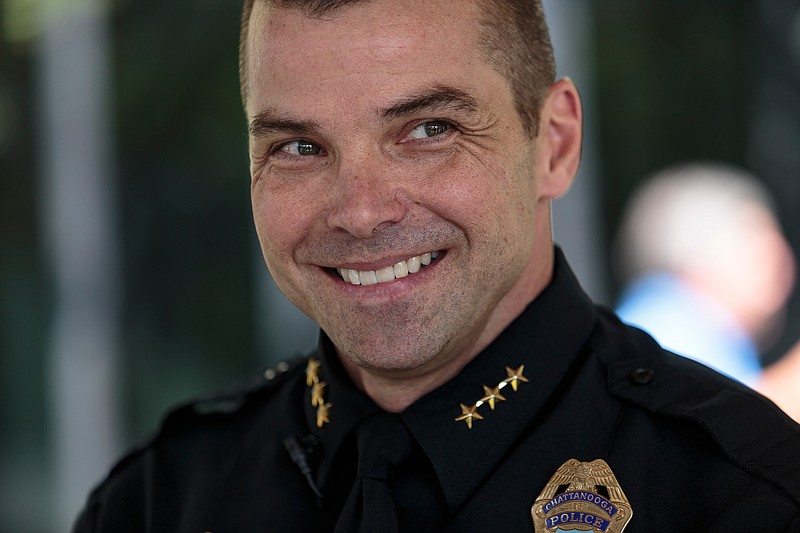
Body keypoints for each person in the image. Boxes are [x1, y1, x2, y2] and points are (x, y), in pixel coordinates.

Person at [74, 1, 800, 531]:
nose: (360, 211)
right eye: (299, 147)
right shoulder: (159, 501)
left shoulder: (740, 497)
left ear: (554, 144)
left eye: (428, 130)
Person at [615, 163, 800, 420]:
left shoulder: (695, 327)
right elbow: (735, 426)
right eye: (756, 237)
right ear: (699, 251)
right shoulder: (665, 320)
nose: (781, 260)